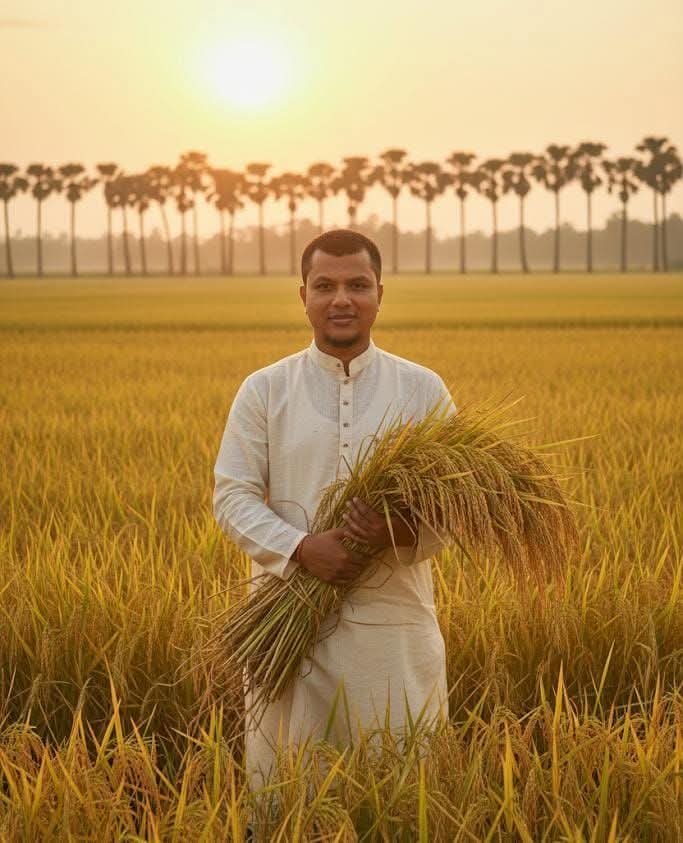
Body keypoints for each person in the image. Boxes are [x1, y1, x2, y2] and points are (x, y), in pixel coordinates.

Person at [213, 229, 456, 791]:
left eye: (357, 285)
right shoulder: (264, 390)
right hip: (287, 634)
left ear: (379, 295)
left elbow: (457, 508)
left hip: (392, 633)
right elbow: (232, 496)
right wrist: (302, 549)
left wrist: (396, 532)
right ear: (303, 295)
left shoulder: (423, 391)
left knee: (400, 791)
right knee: (286, 793)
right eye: (325, 285)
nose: (341, 299)